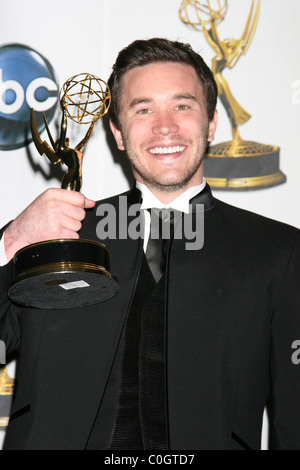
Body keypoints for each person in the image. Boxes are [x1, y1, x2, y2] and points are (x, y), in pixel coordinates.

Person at [0, 38, 300, 450]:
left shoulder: (277, 252)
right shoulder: (60, 235)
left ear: (211, 123)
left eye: (182, 105)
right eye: (143, 109)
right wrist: (13, 239)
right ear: (118, 133)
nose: (165, 127)